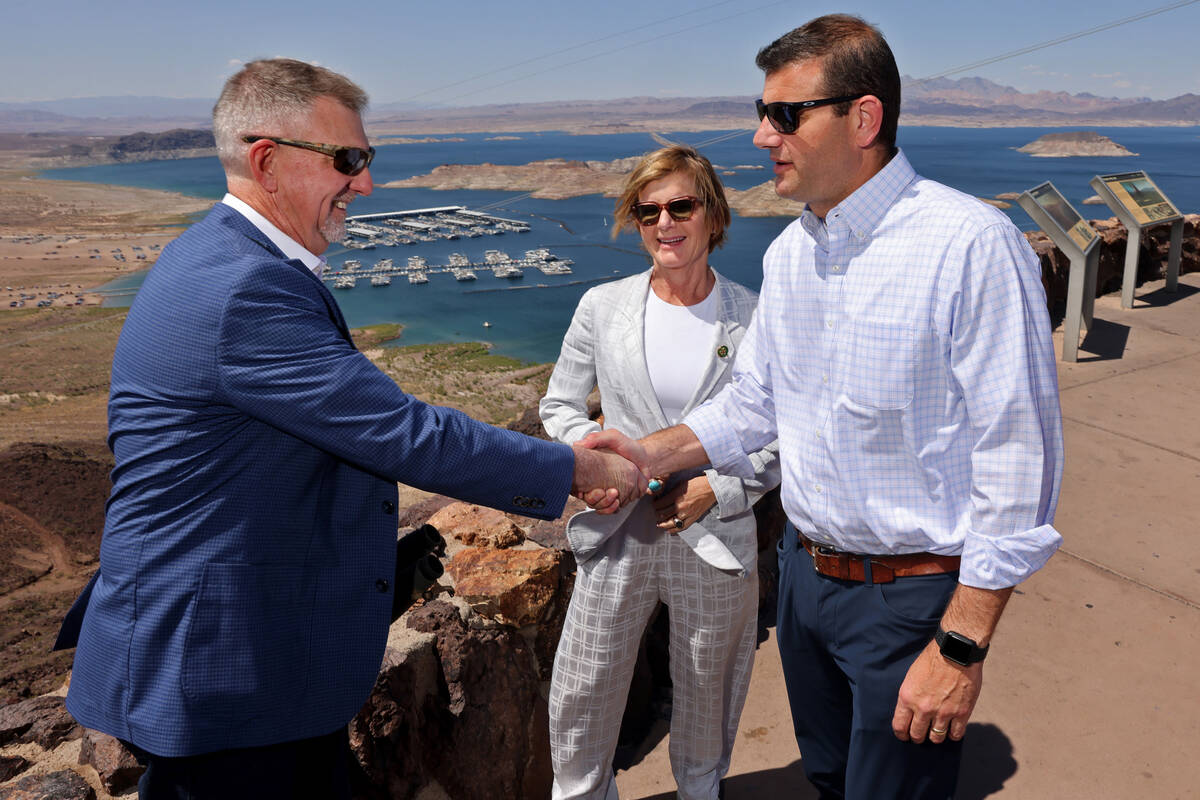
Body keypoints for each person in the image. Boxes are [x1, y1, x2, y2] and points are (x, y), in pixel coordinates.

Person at [57, 58, 643, 800]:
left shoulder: (224, 258)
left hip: (249, 668)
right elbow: (403, 432)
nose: (365, 183)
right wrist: (577, 470)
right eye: (348, 160)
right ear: (267, 161)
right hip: (222, 675)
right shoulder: (245, 288)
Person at [582, 15, 1064, 800]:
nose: (762, 135)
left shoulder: (969, 246)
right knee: (833, 782)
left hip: (910, 601)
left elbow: (1019, 457)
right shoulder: (792, 254)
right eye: (762, 113)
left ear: (863, 118)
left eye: (785, 115)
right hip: (806, 584)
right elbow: (755, 405)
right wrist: (647, 456)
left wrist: (961, 646)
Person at [539, 144, 780, 800]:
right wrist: (597, 454)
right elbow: (558, 404)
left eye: (681, 205)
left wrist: (720, 486)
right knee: (581, 694)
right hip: (619, 534)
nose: (665, 222)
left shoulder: (755, 317)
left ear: (712, 214)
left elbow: (781, 430)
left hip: (714, 539)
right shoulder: (601, 306)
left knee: (707, 701)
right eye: (648, 212)